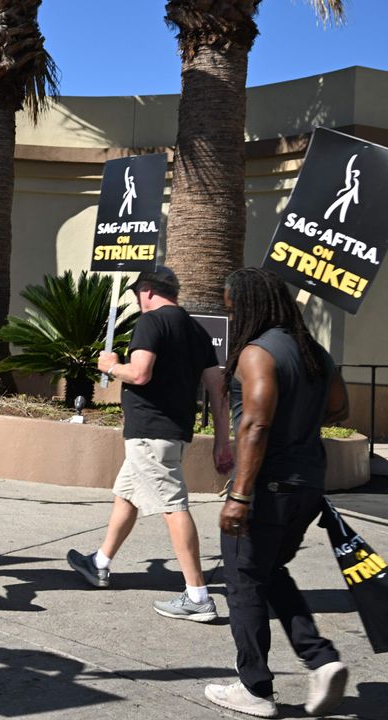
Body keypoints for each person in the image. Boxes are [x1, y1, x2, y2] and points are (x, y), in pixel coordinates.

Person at [204, 268, 349, 718]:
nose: (230, 315)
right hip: (309, 484)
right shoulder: (315, 353)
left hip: (267, 487)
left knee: (244, 582)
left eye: (232, 307)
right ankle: (321, 659)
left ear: (250, 306)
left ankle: (255, 687)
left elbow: (256, 423)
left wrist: (240, 496)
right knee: (269, 571)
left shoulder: (257, 353)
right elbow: (340, 408)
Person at [66, 266, 233, 622]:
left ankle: (198, 595)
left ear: (147, 291)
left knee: (173, 506)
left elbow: (140, 372)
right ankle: (100, 562)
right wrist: (222, 440)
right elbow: (218, 389)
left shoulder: (151, 323)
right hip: (173, 432)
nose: (137, 301)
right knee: (127, 494)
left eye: (137, 295)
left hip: (149, 432)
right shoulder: (195, 330)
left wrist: (111, 366)